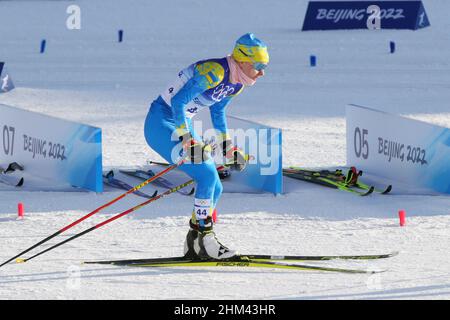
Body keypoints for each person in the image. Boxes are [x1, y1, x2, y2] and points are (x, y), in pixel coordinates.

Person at [144, 33, 269, 260]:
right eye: (258, 65)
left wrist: (228, 147)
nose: (262, 72)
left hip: (181, 125)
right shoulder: (215, 72)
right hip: (160, 123)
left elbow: (218, 111)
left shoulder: (237, 83)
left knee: (215, 187)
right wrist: (187, 138)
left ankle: (195, 241)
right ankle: (207, 241)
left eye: (265, 66)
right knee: (206, 175)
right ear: (242, 60)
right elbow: (178, 101)